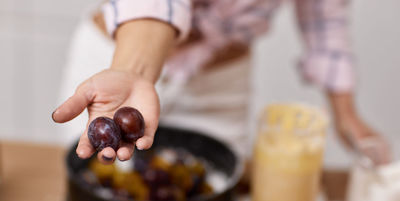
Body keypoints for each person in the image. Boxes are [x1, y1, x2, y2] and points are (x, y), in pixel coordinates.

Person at [52, 0, 390, 165]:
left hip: (220, 84)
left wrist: (347, 114)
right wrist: (135, 72)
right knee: (99, 200)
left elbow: (324, 14)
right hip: (118, 58)